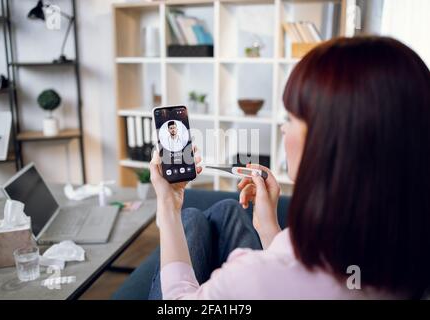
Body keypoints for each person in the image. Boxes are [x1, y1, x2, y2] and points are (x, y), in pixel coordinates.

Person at [148, 36, 430, 299]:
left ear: (331, 141)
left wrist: (168, 206)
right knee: (227, 210)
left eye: (292, 118)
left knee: (191, 220)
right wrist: (268, 224)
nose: (283, 128)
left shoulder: (250, 277)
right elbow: (298, 272)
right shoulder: (405, 260)